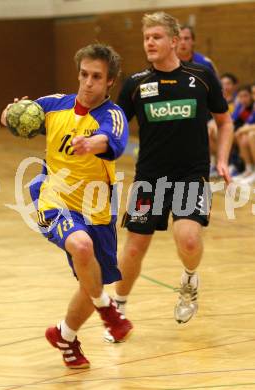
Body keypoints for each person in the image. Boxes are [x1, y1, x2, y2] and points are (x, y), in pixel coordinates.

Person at [1, 43, 132, 368]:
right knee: (81, 245)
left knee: (93, 280)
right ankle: (108, 311)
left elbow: (111, 141)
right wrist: (10, 114)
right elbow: (15, 116)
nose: (88, 83)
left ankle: (65, 335)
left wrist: (91, 143)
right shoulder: (53, 106)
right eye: (84, 75)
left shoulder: (112, 116)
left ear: (110, 82)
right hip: (54, 197)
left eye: (97, 77)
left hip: (98, 208)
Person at [105, 11, 233, 341]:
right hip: (150, 178)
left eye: (157, 37)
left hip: (191, 176)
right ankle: (118, 310)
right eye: (147, 38)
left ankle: (190, 280)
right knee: (134, 248)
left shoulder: (201, 77)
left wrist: (221, 160)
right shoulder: (136, 85)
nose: (150, 42)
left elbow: (225, 121)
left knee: (188, 239)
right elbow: (113, 124)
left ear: (174, 41)